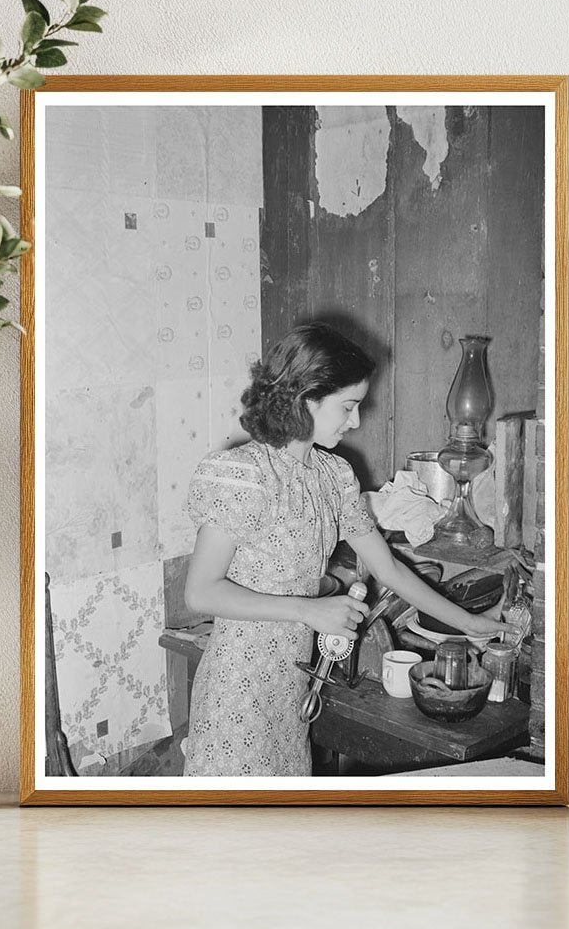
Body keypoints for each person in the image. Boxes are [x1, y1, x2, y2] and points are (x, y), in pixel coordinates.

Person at [182, 322, 520, 776]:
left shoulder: (334, 474)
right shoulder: (243, 474)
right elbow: (201, 593)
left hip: (292, 683)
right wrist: (309, 611)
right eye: (348, 406)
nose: (356, 421)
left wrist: (468, 624)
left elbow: (390, 570)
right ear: (305, 397)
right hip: (237, 686)